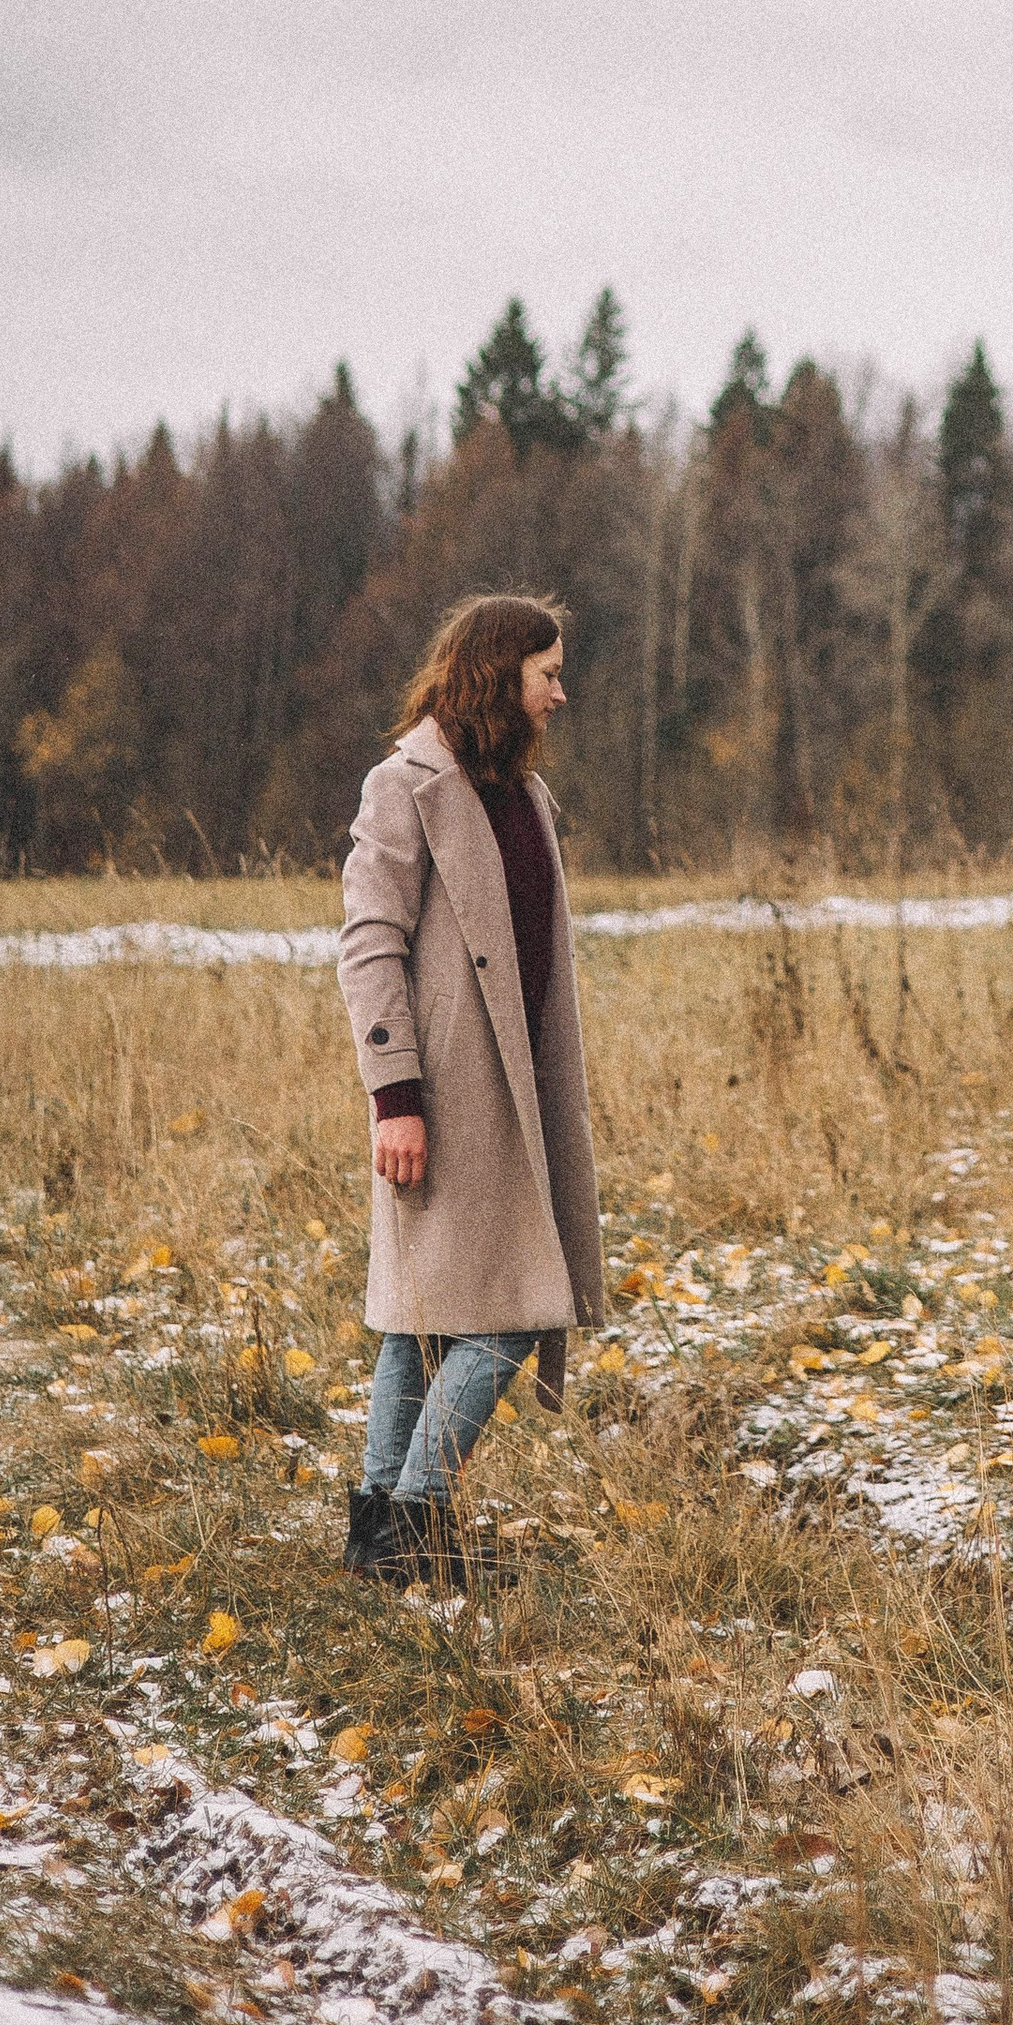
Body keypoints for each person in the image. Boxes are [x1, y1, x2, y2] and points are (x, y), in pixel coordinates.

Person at [335, 591, 606, 1583]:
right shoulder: (403, 787)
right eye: (546, 675)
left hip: (520, 1095)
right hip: (444, 1097)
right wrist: (393, 1093)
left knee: (432, 1307)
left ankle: (378, 1539)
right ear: (500, 677)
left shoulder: (524, 797)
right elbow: (369, 948)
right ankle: (415, 1519)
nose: (559, 695)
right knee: (511, 1304)